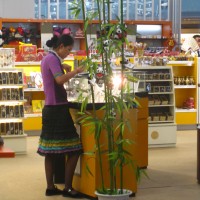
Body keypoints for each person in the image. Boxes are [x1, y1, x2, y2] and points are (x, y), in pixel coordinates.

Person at [37, 34, 85, 197]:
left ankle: (50, 187)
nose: (68, 54)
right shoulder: (52, 59)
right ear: (61, 46)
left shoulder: (48, 58)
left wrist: (63, 66)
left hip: (50, 108)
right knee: (74, 149)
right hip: (58, 109)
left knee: (50, 152)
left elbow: (55, 72)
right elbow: (59, 80)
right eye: (68, 50)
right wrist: (76, 71)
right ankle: (68, 188)